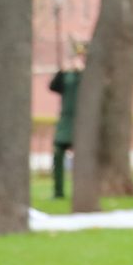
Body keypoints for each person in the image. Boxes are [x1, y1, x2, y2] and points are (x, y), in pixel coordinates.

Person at [48, 47, 83, 200]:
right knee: (58, 153)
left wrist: (81, 71)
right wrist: (61, 71)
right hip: (66, 120)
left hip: (82, 122)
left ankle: (81, 191)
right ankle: (58, 191)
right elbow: (53, 86)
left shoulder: (86, 75)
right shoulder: (67, 76)